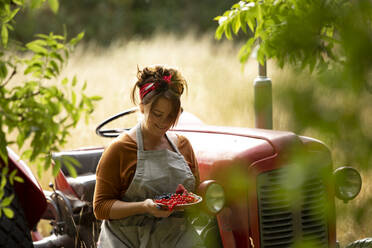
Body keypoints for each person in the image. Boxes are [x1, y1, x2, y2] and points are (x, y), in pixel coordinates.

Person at [93, 65, 205, 247]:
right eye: (157, 114)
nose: (163, 123)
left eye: (170, 116)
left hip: (175, 239)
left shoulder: (183, 146)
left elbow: (196, 197)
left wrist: (185, 199)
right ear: (142, 107)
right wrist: (144, 206)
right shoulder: (120, 149)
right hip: (127, 241)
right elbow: (101, 208)